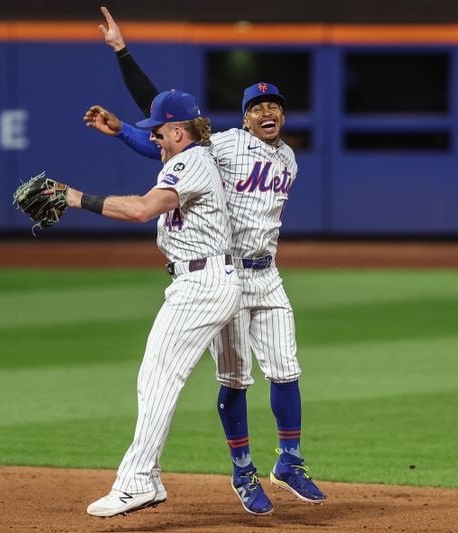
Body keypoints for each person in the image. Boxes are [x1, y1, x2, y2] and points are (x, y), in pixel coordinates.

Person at [83, 7, 326, 515]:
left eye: (274, 105)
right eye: (257, 105)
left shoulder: (289, 158)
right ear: (243, 117)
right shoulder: (225, 146)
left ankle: (290, 461)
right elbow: (169, 133)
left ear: (282, 114)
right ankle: (243, 473)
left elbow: (172, 136)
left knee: (287, 371)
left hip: (268, 273)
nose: (267, 111)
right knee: (235, 380)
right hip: (227, 272)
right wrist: (122, 62)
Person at [64, 89, 242, 517]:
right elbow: (153, 150)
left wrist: (76, 198)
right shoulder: (193, 155)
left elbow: (143, 209)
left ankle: (138, 481)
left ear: (178, 131)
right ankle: (147, 479)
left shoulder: (190, 162)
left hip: (203, 282)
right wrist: (122, 130)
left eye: (159, 132)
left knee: (159, 378)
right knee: (157, 378)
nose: (154, 140)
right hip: (206, 279)